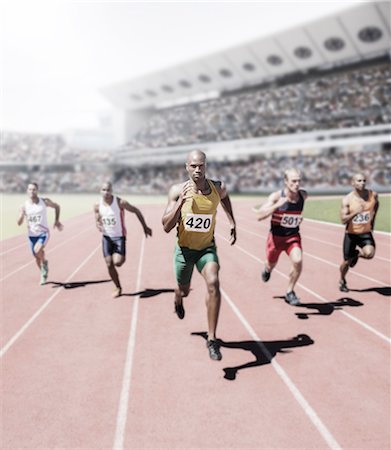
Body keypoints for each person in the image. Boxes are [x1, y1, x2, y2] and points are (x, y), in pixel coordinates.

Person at [162, 150, 236, 361]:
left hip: (206, 249)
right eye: (193, 166)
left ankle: (212, 339)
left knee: (213, 282)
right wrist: (180, 203)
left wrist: (232, 221)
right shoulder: (177, 191)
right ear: (186, 167)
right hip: (185, 251)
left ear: (206, 166)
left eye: (201, 165)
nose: (197, 169)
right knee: (184, 291)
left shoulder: (216, 187)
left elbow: (225, 197)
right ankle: (178, 296)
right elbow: (166, 226)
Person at [254, 168, 308, 306]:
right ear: (285, 182)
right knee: (271, 264)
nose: (297, 184)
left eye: (299, 181)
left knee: (298, 260)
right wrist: (277, 205)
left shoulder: (303, 195)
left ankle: (290, 291)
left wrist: (296, 219)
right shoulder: (276, 197)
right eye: (293, 181)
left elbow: (293, 213)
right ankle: (267, 270)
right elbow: (259, 215)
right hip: (276, 238)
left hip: (293, 237)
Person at [94, 181, 152, 298]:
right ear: (100, 191)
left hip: (119, 237)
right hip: (106, 237)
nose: (106, 192)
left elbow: (136, 211)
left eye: (108, 190)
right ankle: (118, 287)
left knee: (118, 262)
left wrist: (145, 227)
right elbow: (97, 218)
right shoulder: (97, 205)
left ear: (112, 191)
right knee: (109, 263)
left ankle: (119, 263)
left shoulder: (120, 202)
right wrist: (98, 224)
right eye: (104, 190)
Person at [17, 182, 63, 285]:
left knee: (37, 250)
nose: (32, 191)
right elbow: (19, 223)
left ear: (37, 190)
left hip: (43, 233)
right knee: (36, 257)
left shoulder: (44, 201)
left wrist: (56, 220)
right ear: (27, 191)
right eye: (30, 189)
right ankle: (43, 271)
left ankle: (44, 264)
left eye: (34, 189)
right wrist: (21, 216)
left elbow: (57, 206)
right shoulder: (24, 206)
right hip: (32, 235)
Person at [339, 173, 379, 292]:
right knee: (346, 263)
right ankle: (342, 279)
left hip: (365, 233)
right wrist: (355, 212)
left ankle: (356, 255)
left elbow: (376, 205)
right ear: (353, 183)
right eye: (359, 181)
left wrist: (372, 220)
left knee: (369, 254)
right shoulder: (347, 199)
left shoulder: (373, 195)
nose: (362, 183)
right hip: (351, 234)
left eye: (364, 180)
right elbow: (343, 220)